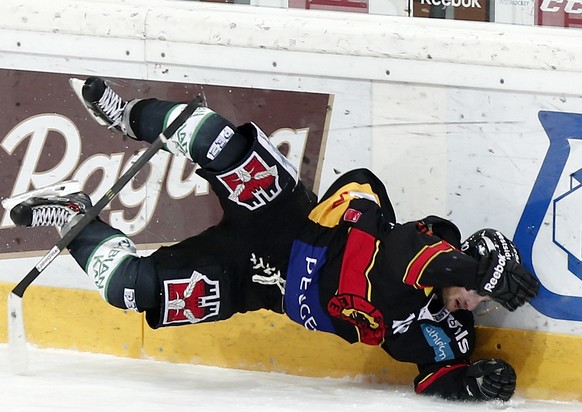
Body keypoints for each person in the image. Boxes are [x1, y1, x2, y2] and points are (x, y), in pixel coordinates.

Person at [7, 77, 539, 402]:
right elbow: (417, 261)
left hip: (252, 282)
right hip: (285, 221)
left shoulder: (448, 327)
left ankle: (74, 212)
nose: (478, 301)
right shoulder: (433, 244)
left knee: (128, 287)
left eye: (484, 297)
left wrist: (467, 385)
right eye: (481, 285)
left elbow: (433, 376)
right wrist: (472, 270)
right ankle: (129, 117)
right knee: (212, 137)